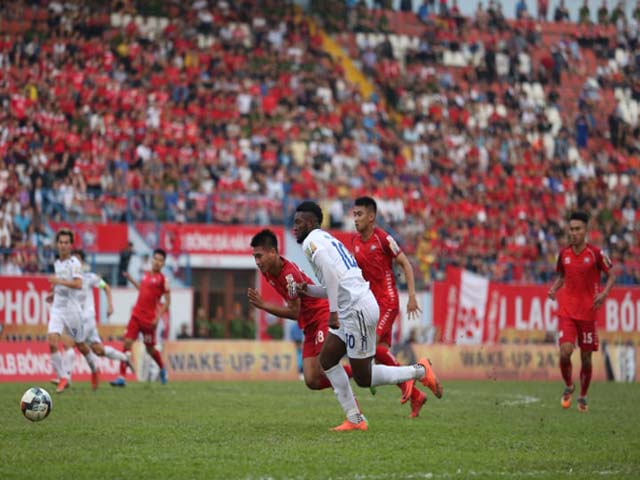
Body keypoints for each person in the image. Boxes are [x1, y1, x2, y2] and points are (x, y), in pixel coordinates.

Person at [293, 201, 443, 431]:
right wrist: (308, 289)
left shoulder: (311, 242)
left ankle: (420, 371)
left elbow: (332, 277)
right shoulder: (326, 239)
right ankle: (355, 419)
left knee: (364, 377)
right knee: (327, 360)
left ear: (311, 222)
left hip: (356, 310)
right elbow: (334, 283)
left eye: (298, 222)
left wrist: (332, 312)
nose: (294, 227)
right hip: (353, 307)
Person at [248, 229, 353, 393]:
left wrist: (264, 305)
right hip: (308, 325)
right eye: (255, 257)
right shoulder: (269, 272)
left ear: (273, 252)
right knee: (312, 380)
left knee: (324, 368)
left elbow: (294, 312)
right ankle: (355, 373)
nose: (257, 261)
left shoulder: (289, 276)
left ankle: (357, 406)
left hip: (320, 316)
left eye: (259, 256)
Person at [351, 196, 428, 418]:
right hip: (369, 305)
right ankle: (416, 396)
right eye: (354, 215)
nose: (355, 219)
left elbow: (406, 264)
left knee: (373, 349)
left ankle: (410, 384)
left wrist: (411, 296)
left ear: (372, 216)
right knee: (380, 352)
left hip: (387, 301)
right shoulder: (355, 242)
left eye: (360, 215)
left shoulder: (383, 238)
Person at [548, 212, 616, 412]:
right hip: (567, 311)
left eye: (578, 229)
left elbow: (611, 276)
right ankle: (569, 385)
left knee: (586, 358)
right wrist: (554, 289)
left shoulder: (596, 253)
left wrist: (604, 294)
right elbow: (562, 275)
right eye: (571, 229)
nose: (574, 233)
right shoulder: (564, 254)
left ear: (586, 230)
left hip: (588, 314)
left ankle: (583, 396)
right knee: (564, 352)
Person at [51, 249, 134, 389]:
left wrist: (110, 305)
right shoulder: (68, 280)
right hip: (78, 318)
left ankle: (66, 377)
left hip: (87, 318)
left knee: (70, 343)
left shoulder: (90, 278)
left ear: (82, 263)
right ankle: (125, 358)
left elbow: (105, 287)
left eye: (78, 260)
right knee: (98, 350)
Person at [110, 248, 171, 387]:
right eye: (155, 259)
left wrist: (157, 317)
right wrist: (131, 280)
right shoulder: (145, 275)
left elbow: (167, 302)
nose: (157, 262)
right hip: (136, 315)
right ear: (152, 260)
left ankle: (162, 368)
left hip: (149, 320)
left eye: (160, 260)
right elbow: (142, 290)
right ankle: (121, 377)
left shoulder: (163, 280)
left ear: (163, 263)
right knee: (127, 343)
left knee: (150, 349)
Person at [46, 228, 87, 393]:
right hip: (57, 307)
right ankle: (63, 377)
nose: (63, 246)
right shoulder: (57, 263)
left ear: (71, 245)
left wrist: (59, 281)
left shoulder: (74, 263)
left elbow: (78, 284)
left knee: (79, 345)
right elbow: (60, 283)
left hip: (72, 309)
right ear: (57, 244)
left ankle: (92, 367)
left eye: (66, 243)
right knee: (51, 342)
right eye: (60, 242)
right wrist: (53, 291)